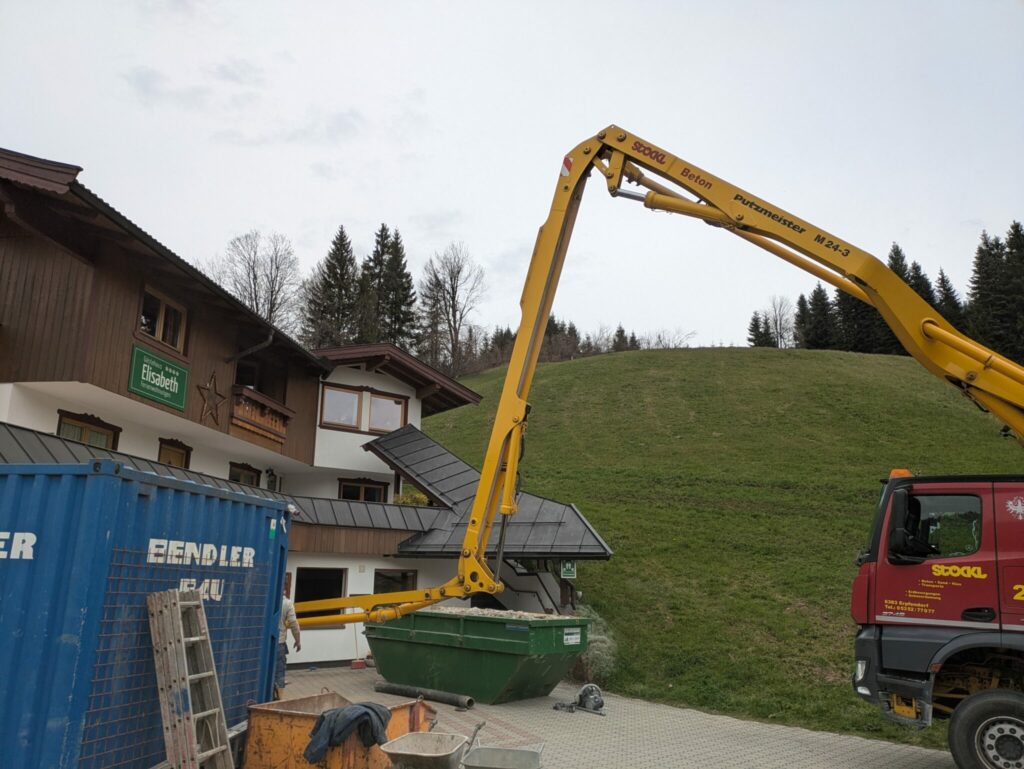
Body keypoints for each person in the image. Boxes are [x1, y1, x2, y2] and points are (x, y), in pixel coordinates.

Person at [275, 587, 301, 699]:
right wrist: (298, 640)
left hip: (263, 643)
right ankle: (278, 700)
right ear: (284, 591)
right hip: (279, 643)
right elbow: (293, 623)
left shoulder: (267, 598)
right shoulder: (287, 603)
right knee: (279, 674)